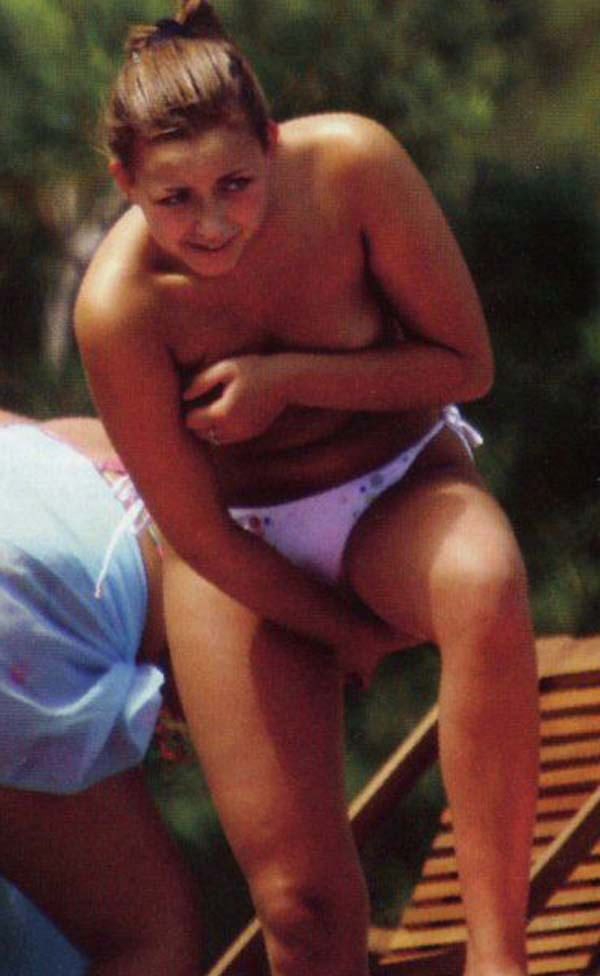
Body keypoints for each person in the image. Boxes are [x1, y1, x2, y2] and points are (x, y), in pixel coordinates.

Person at [75, 3, 540, 974]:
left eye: (235, 185)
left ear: (274, 144)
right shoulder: (117, 308)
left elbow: (467, 363)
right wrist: (341, 632)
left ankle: (501, 961)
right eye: (174, 198)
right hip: (238, 548)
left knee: (485, 580)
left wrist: (289, 381)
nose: (211, 224)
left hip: (398, 488)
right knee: (300, 907)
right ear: (124, 183)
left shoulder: (354, 168)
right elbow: (198, 536)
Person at [0, 408, 202, 976]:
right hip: (25, 624)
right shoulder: (250, 558)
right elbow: (300, 900)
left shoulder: (94, 434)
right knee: (155, 942)